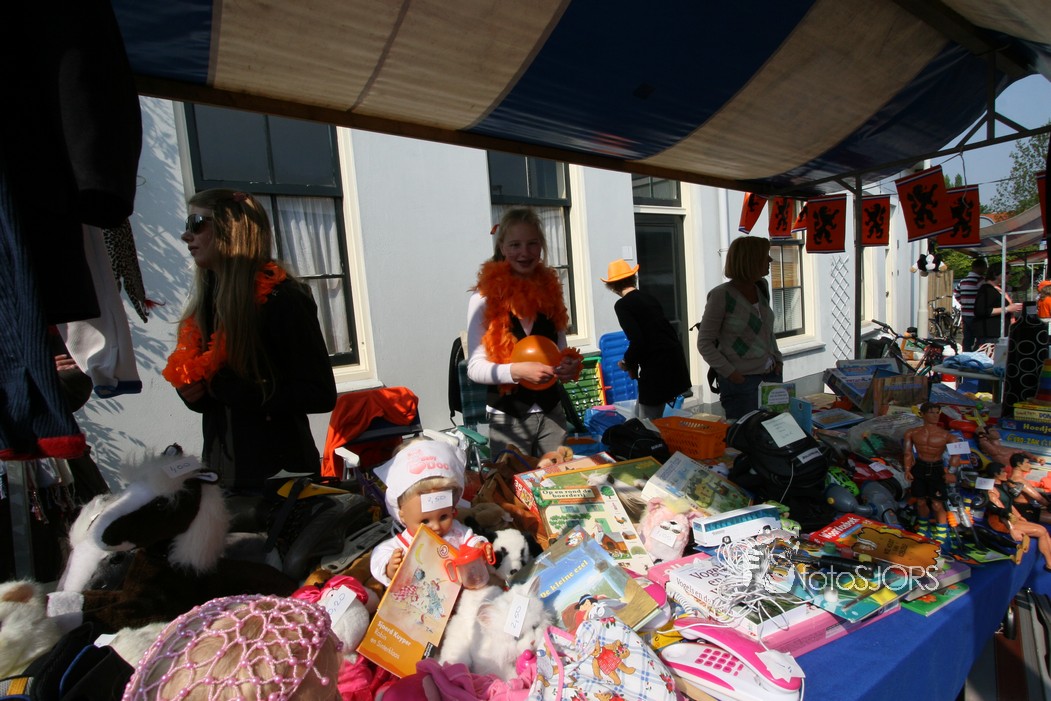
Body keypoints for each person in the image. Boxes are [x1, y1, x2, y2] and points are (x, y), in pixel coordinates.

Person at [163, 189, 337, 496]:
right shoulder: (208, 302)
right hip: (223, 474)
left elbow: (320, 394)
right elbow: (216, 396)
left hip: (277, 478)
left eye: (196, 224)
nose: (186, 235)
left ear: (231, 228)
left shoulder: (283, 299)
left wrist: (240, 389)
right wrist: (194, 393)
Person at [466, 207, 582, 457]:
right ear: (502, 248)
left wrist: (569, 366)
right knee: (515, 480)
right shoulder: (484, 298)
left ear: (541, 246)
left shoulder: (551, 292)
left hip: (553, 414)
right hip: (509, 418)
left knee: (557, 477)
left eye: (532, 243)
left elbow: (559, 351)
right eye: (515, 245)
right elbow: (474, 368)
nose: (524, 252)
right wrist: (516, 371)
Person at [370, 440, 489, 586]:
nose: (436, 526)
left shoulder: (457, 532)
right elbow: (379, 556)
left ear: (452, 508)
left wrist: (479, 546)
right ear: (402, 515)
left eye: (444, 516)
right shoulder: (403, 545)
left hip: (462, 589)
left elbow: (471, 539)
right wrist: (390, 568)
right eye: (425, 521)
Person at [695, 236, 783, 421]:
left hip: (771, 377)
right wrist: (732, 374)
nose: (770, 260)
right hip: (742, 383)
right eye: (765, 256)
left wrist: (778, 359)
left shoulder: (761, 287)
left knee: (774, 430)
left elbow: (766, 330)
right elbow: (704, 343)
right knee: (744, 434)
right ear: (750, 260)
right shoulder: (721, 295)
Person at [601, 259, 691, 420]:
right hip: (674, 362)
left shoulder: (622, 305)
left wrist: (627, 362)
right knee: (639, 418)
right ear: (632, 278)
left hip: (657, 368)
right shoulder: (649, 298)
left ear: (612, 286)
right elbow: (658, 333)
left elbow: (638, 340)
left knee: (648, 423)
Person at [902, 402, 959, 545]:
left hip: (936, 468)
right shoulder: (912, 433)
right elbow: (908, 453)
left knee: (937, 503)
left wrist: (951, 472)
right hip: (919, 466)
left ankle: (942, 532)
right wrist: (907, 469)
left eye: (937, 412)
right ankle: (923, 528)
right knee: (920, 501)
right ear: (923, 414)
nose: (935, 416)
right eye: (932, 412)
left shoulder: (947, 435)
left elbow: (957, 454)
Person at [981, 461, 1051, 571]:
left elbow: (1009, 504)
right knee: (1041, 531)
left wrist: (1019, 516)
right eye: (1003, 472)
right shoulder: (992, 491)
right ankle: (1049, 563)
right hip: (1000, 522)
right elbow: (1001, 511)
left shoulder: (1002, 486)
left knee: (1044, 531)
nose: (1006, 473)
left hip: (1011, 518)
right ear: (996, 474)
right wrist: (1012, 529)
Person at [972, 267, 1022, 350]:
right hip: (991, 334)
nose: (1009, 275)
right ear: (995, 274)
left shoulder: (998, 288)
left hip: (999, 332)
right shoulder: (987, 289)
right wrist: (1007, 309)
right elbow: (981, 311)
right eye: (1006, 273)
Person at [955, 257, 987, 352]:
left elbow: (956, 293)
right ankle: (976, 354)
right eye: (984, 268)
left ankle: (966, 354)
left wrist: (963, 302)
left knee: (967, 338)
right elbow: (985, 294)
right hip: (976, 314)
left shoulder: (963, 281)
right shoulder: (980, 280)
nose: (985, 270)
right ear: (979, 268)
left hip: (965, 313)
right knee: (980, 337)